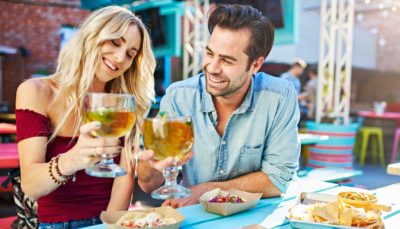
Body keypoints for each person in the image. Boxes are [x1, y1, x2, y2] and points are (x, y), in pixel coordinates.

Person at [138, 4, 300, 208]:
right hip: (197, 218)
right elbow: (150, 185)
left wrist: (206, 191)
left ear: (255, 65)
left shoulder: (279, 97)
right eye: (209, 53)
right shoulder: (179, 97)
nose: (212, 68)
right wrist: (146, 167)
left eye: (227, 61)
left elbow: (278, 180)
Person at [15, 6, 155, 228]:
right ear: (92, 36)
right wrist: (74, 159)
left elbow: (123, 180)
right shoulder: (37, 91)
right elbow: (30, 185)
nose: (120, 57)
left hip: (107, 222)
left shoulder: (124, 102)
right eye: (115, 42)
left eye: (130, 54)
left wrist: (107, 226)